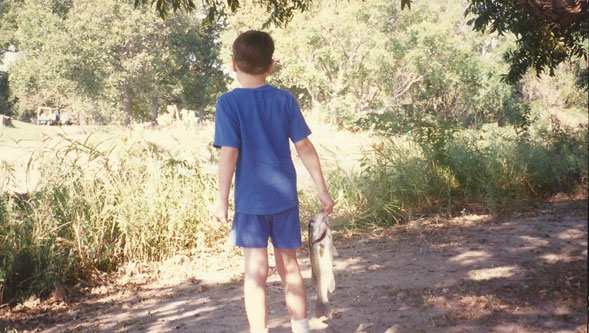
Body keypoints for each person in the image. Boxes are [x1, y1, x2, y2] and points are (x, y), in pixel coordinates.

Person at [212, 30, 334, 333]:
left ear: (233, 64)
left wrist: (221, 199)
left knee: (255, 272)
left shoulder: (228, 103)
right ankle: (301, 329)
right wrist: (323, 191)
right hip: (284, 200)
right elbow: (304, 147)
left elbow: (229, 153)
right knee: (289, 267)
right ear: (271, 65)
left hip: (250, 203)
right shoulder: (284, 100)